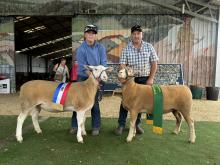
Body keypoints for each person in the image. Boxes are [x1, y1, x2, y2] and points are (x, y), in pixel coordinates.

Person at [115, 25, 159, 135]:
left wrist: (151, 78)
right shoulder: (126, 48)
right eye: (134, 34)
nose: (136, 36)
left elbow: (154, 64)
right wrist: (123, 76)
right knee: (125, 102)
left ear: (141, 35)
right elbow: (122, 65)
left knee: (140, 103)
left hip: (145, 79)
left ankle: (137, 124)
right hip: (131, 80)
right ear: (131, 35)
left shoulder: (149, 47)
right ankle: (121, 124)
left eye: (138, 33)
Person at [70, 24, 107, 136]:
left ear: (95, 35)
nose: (91, 35)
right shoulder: (81, 49)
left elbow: (104, 63)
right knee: (78, 102)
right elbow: (82, 67)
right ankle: (75, 126)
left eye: (93, 33)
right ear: (85, 35)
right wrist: (93, 77)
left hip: (97, 77)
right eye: (88, 33)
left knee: (94, 102)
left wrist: (98, 77)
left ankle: (96, 126)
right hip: (84, 76)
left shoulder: (101, 48)